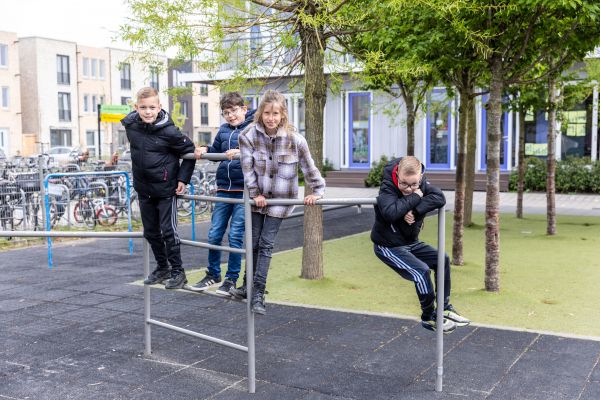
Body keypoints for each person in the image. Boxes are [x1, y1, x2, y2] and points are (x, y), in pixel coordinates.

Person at [231, 90, 325, 315]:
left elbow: (308, 167)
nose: (271, 118)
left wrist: (318, 191)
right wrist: (255, 194)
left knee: (266, 244)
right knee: (252, 242)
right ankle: (247, 286)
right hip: (258, 197)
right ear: (260, 113)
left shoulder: (295, 140)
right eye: (267, 113)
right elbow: (248, 169)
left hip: (282, 198)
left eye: (275, 113)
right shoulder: (247, 135)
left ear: (283, 114)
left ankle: (259, 293)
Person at [370, 156, 470, 333]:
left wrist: (415, 211)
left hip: (410, 242)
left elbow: (439, 197)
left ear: (421, 176)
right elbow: (390, 213)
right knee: (421, 272)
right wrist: (416, 196)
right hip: (388, 245)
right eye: (404, 184)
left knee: (442, 259)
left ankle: (444, 308)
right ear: (397, 174)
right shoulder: (388, 187)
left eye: (414, 184)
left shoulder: (421, 181)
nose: (409, 189)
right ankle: (428, 316)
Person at [121, 87, 196, 289]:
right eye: (143, 107)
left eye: (152, 107)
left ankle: (179, 272)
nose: (148, 112)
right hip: (144, 188)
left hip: (165, 189)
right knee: (151, 232)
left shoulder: (169, 131)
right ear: (136, 107)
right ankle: (163, 268)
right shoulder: (131, 126)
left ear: (160, 107)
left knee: (168, 231)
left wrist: (183, 179)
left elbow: (189, 151)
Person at [189, 92, 256, 296]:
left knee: (235, 235)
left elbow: (259, 153)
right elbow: (216, 152)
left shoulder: (253, 129)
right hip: (223, 189)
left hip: (243, 190)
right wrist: (204, 149)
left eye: (234, 111)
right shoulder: (224, 130)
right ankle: (213, 274)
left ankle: (231, 279)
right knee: (214, 233)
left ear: (244, 109)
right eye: (226, 112)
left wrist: (241, 152)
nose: (230, 116)